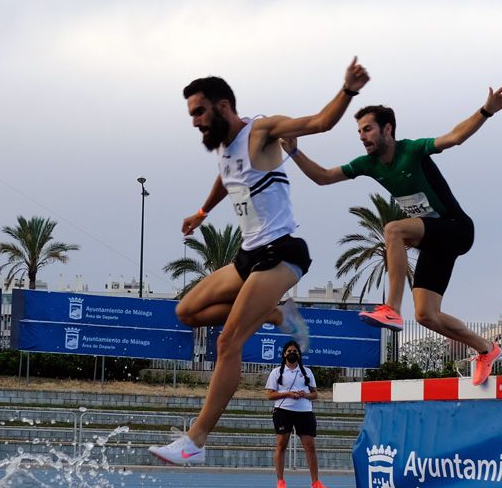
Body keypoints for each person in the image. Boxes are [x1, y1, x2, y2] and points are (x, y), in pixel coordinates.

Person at [150, 58, 369, 465]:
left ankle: (195, 441)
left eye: (199, 111)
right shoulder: (223, 146)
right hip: (248, 256)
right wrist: (202, 212)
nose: (195, 121)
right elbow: (227, 176)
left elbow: (320, 122)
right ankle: (271, 313)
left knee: (228, 341)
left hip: (282, 253)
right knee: (187, 312)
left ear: (224, 106)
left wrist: (349, 90)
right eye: (191, 114)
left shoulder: (262, 131)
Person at [282, 85, 502, 386]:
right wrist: (295, 151)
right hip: (433, 241)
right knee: (427, 315)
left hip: (456, 228)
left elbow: (454, 137)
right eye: (359, 132)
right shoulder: (369, 165)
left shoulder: (411, 150)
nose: (362, 137)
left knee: (393, 229)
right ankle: (486, 348)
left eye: (368, 129)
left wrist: (486, 111)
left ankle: (391, 308)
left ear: (387, 129)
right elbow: (323, 178)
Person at [266, 340, 329, 488]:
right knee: (281, 445)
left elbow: (315, 394)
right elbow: (269, 395)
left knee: (310, 446)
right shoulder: (276, 372)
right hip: (283, 411)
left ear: (299, 355)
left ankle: (315, 483)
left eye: (295, 351)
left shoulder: (307, 372)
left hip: (304, 411)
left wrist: (304, 395)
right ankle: (280, 480)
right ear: (284, 354)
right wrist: (288, 393)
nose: (292, 353)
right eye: (289, 351)